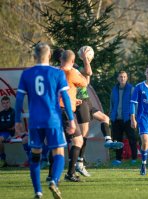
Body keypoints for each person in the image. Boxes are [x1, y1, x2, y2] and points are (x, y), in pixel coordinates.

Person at [15, 42, 76, 199]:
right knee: (59, 152)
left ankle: (38, 191)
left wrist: (17, 121)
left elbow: (19, 99)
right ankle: (54, 181)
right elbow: (66, 98)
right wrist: (71, 119)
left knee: (35, 155)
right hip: (53, 120)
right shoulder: (57, 73)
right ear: (49, 56)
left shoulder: (27, 74)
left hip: (35, 121)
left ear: (34, 56)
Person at [74, 47, 123, 177]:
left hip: (86, 101)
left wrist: (86, 60)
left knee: (104, 118)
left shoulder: (78, 69)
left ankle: (108, 140)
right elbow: (89, 73)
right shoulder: (73, 69)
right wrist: (86, 59)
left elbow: (87, 79)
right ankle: (78, 163)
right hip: (81, 103)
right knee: (83, 135)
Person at [47, 50, 88, 182]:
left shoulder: (54, 72)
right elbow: (85, 83)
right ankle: (70, 173)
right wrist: (82, 65)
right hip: (65, 110)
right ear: (72, 61)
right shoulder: (71, 72)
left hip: (54, 110)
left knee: (56, 143)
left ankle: (50, 175)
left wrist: (72, 99)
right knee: (78, 141)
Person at [110, 71, 137, 166]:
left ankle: (134, 158)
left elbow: (135, 104)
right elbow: (112, 103)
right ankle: (118, 159)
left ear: (127, 78)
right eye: (121, 77)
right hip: (116, 119)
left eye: (124, 77)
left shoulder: (131, 89)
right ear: (118, 78)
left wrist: (134, 117)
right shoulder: (114, 89)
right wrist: (111, 116)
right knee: (117, 140)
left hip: (128, 118)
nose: (123, 78)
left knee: (132, 138)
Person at [0, 96, 15, 167]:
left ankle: (3, 159)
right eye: (3, 103)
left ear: (10, 103)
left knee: (0, 139)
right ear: (1, 104)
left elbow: (13, 126)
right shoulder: (1, 113)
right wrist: (6, 126)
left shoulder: (13, 112)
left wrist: (7, 127)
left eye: (7, 103)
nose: (5, 104)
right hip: (2, 132)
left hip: (9, 133)